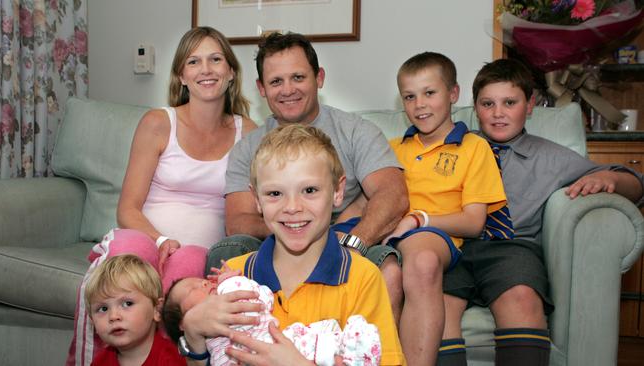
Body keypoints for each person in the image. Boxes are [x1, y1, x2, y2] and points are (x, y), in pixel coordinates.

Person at [67, 26, 257, 366]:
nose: (206, 69)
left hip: (197, 250)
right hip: (145, 235)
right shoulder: (158, 122)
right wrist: (161, 240)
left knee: (187, 269)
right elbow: (128, 208)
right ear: (182, 76)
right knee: (130, 253)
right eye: (194, 61)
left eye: (215, 59)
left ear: (230, 71)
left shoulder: (249, 132)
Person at [438, 58, 644, 366]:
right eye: (487, 103)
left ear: (530, 104)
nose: (498, 113)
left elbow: (636, 184)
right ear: (475, 106)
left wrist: (610, 178)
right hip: (453, 245)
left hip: (512, 249)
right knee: (435, 306)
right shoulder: (455, 148)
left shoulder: (552, 156)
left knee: (521, 297)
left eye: (510, 102)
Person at [208, 32, 409, 321]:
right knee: (227, 250)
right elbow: (238, 220)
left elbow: (394, 194)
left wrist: (353, 241)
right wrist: (296, 227)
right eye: (276, 81)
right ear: (261, 88)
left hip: (345, 240)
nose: (288, 89)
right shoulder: (248, 148)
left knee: (388, 269)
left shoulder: (355, 131)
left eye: (298, 77)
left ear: (319, 78)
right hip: (273, 244)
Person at [180, 124, 404, 365]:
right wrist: (194, 338)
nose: (293, 207)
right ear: (256, 199)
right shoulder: (234, 276)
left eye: (309, 190)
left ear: (338, 191)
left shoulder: (362, 278)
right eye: (275, 194)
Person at [379, 52, 507, 366]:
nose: (419, 104)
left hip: (437, 236)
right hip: (387, 234)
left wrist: (419, 219)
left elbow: (475, 222)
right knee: (380, 270)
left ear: (453, 94)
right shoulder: (392, 147)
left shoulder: (474, 147)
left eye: (429, 93)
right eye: (409, 96)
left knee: (422, 260)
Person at [162, 272, 382, 366]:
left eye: (201, 280)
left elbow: (256, 300)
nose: (203, 283)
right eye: (192, 288)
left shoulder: (235, 279)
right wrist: (192, 333)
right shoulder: (238, 265)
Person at [84, 254, 186, 366]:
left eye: (127, 303)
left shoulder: (173, 360)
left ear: (157, 309)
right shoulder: (99, 362)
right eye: (103, 309)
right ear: (93, 322)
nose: (113, 316)